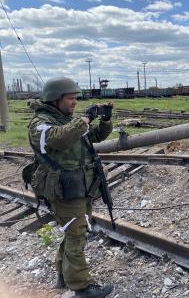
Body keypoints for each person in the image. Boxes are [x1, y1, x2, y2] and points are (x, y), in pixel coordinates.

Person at [28, 77, 114, 298]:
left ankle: (64, 276)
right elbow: (60, 139)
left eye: (76, 99)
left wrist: (105, 121)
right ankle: (81, 287)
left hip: (78, 187)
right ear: (56, 99)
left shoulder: (65, 119)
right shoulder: (41, 124)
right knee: (76, 234)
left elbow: (92, 137)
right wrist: (84, 119)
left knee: (73, 232)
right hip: (63, 189)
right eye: (71, 99)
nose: (75, 103)